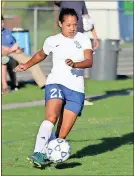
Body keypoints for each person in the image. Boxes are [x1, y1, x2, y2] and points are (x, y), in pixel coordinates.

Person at [14, 8, 93, 168]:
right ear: (60, 23)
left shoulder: (84, 39)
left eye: (74, 25)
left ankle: (49, 154)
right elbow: (41, 55)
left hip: (76, 90)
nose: (72, 28)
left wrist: (75, 64)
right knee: (51, 117)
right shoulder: (52, 40)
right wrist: (26, 65)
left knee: (60, 136)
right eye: (68, 24)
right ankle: (38, 152)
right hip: (56, 82)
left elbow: (89, 61)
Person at [54, 1, 99, 105]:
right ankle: (63, 96)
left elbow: (87, 19)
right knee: (65, 67)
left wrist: (95, 35)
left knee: (80, 67)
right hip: (66, 38)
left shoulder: (80, 1)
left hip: (80, 37)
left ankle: (79, 97)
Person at [1, 15, 46, 90]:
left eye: (1, 22)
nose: (1, 24)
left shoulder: (7, 31)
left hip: (16, 53)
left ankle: (44, 84)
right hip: (7, 55)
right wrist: (11, 49)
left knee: (33, 62)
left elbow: (15, 44)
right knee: (6, 59)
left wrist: (18, 48)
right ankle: (10, 85)